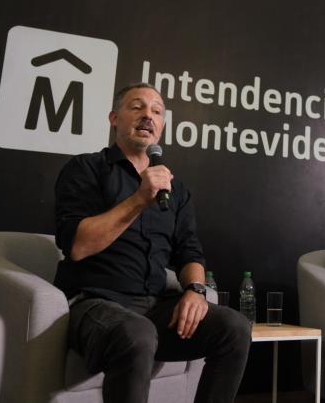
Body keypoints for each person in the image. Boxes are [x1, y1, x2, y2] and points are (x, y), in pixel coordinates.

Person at [53, 82, 251, 403]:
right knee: (137, 333)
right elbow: (77, 245)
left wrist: (196, 291)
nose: (148, 115)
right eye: (137, 107)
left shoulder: (176, 191)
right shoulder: (86, 169)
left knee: (234, 327)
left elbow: (190, 252)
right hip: (96, 303)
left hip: (156, 307)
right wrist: (139, 199)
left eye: (157, 111)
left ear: (161, 127)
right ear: (114, 118)